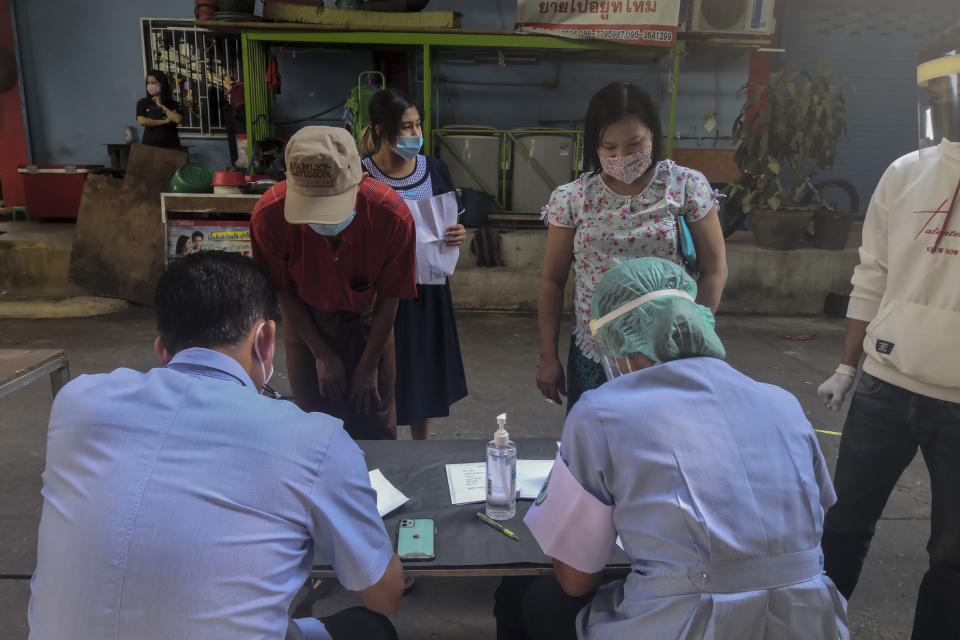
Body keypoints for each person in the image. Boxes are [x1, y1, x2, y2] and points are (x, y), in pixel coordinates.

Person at [28, 251, 403, 640]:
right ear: (266, 338)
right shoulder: (315, 440)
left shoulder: (77, 403)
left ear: (162, 350)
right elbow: (384, 595)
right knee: (369, 627)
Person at [498, 257, 849, 640]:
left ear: (620, 340)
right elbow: (813, 517)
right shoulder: (782, 402)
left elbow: (576, 580)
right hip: (810, 620)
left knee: (528, 598)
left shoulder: (602, 412)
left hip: (686, 622)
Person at [816, 21, 960, 639]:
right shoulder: (905, 173)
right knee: (841, 524)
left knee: (952, 558)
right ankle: (811, 626)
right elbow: (869, 276)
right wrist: (849, 367)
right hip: (884, 387)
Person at [536, 81, 727, 410]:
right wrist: (547, 357)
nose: (622, 157)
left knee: (663, 442)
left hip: (668, 352)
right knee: (596, 444)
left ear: (653, 134)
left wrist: (693, 335)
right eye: (609, 148)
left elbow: (714, 270)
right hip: (594, 350)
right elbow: (553, 281)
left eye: (635, 143)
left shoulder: (685, 186)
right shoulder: (572, 198)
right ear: (594, 145)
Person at [251, 125, 417, 440]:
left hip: (371, 326)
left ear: (358, 179)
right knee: (314, 432)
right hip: (306, 326)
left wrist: (369, 367)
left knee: (376, 426)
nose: (325, 222)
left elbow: (391, 297)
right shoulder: (269, 216)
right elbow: (281, 290)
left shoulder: (391, 216)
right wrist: (322, 355)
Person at [359, 88, 468, 440]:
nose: (415, 135)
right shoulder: (362, 177)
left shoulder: (433, 169)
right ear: (380, 130)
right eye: (405, 127)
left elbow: (451, 221)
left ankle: (423, 446)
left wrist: (456, 233)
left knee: (423, 368)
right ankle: (384, 441)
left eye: (417, 125)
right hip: (378, 295)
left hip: (427, 291)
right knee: (381, 370)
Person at [136, 69, 183, 149]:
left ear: (162, 84)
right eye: (148, 83)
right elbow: (142, 121)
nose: (150, 85)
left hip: (171, 147)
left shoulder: (173, 104)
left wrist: (162, 106)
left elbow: (177, 119)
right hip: (150, 147)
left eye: (153, 83)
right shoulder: (143, 103)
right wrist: (164, 121)